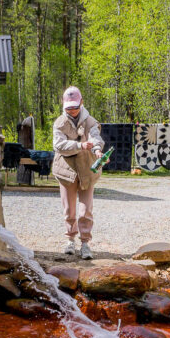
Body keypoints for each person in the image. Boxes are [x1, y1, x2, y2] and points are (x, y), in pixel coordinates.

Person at [52, 86, 104, 259]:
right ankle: (70, 240)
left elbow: (96, 137)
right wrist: (79, 145)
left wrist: (97, 150)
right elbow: (59, 146)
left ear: (81, 102)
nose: (72, 110)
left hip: (87, 170)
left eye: (75, 106)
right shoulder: (59, 123)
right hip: (66, 171)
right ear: (64, 104)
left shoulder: (90, 121)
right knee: (69, 209)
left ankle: (85, 243)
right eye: (69, 107)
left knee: (85, 209)